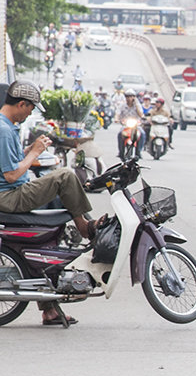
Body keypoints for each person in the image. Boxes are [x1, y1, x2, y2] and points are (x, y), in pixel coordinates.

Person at [0, 81, 100, 325]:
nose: (30, 114)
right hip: (9, 196)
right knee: (65, 176)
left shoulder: (8, 127)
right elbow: (11, 175)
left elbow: (11, 162)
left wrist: (33, 150)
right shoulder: (2, 129)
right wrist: (34, 152)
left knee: (53, 222)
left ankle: (50, 309)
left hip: (14, 190)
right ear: (21, 104)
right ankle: (85, 226)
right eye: (30, 108)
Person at [114, 91, 146, 157]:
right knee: (120, 134)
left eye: (131, 96)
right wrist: (116, 119)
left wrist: (136, 105)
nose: (129, 98)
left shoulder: (137, 105)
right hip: (125, 125)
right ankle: (121, 151)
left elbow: (141, 114)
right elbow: (117, 113)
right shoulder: (122, 105)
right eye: (127, 97)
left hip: (136, 125)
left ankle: (139, 151)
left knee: (142, 134)